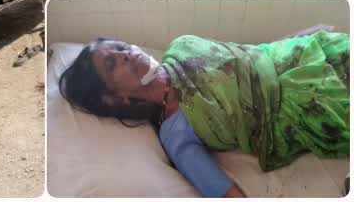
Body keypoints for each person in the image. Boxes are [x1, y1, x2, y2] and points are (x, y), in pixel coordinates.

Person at [58, 29, 350, 198]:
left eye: (120, 47)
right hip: (304, 105)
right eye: (111, 64)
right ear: (115, 98)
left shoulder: (183, 45)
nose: (124, 54)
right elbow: (223, 192)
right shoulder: (175, 134)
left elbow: (245, 54)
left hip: (298, 53)